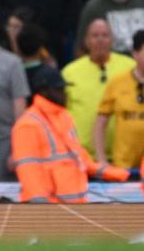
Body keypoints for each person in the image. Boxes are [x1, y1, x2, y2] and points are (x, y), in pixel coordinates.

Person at [12, 66, 129, 203]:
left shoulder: (64, 117)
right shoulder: (27, 125)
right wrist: (41, 209)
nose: (64, 93)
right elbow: (29, 172)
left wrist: (120, 174)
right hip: (51, 208)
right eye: (59, 89)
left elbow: (80, 157)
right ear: (44, 91)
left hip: (76, 204)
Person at [62, 19, 134, 157]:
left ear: (112, 40)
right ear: (86, 41)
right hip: (82, 155)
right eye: (95, 36)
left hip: (125, 155)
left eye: (105, 35)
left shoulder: (130, 67)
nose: (100, 40)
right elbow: (61, 113)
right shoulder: (69, 72)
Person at [0, 7, 30, 181]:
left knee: (3, 193)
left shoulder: (12, 63)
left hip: (3, 142)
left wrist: (18, 150)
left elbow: (20, 110)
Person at [94, 30, 144, 169]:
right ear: (135, 53)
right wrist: (101, 159)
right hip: (124, 165)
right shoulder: (117, 83)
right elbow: (100, 123)